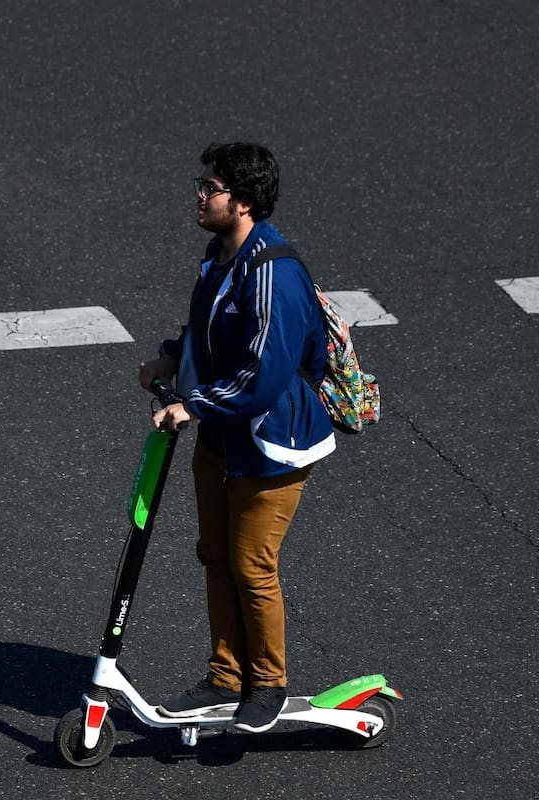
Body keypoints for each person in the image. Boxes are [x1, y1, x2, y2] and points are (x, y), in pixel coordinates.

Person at [138, 142, 336, 733]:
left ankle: (268, 683)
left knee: (252, 564)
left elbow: (264, 375)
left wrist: (192, 404)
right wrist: (172, 356)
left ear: (243, 202)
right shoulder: (220, 254)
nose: (200, 196)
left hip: (272, 442)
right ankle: (225, 677)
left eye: (211, 188)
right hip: (224, 436)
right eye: (201, 184)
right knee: (216, 554)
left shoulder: (273, 272)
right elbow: (208, 327)